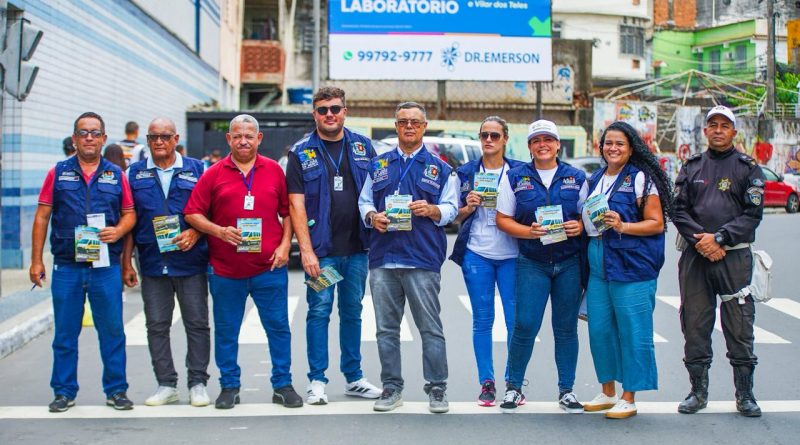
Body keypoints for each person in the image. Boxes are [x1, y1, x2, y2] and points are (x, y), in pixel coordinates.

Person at [184, 114, 302, 409]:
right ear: (229, 139)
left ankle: (283, 384)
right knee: (226, 331)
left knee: (278, 328)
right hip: (225, 270)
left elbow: (288, 213)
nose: (243, 141)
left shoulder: (274, 170)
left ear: (259, 139)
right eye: (237, 136)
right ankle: (229, 386)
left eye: (249, 136)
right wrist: (218, 231)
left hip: (269, 268)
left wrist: (286, 245)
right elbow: (192, 213)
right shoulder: (213, 173)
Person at [29, 112, 136, 412]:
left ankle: (116, 390)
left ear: (103, 138)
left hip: (105, 267)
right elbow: (42, 216)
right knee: (65, 334)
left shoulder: (116, 175)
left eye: (95, 132)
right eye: (83, 132)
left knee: (112, 332)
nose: (89, 137)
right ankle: (64, 391)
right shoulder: (57, 172)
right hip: (67, 267)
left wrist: (118, 230)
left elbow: (130, 214)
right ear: (74, 139)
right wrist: (36, 261)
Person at [358, 102, 458, 414]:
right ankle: (391, 387)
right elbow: (363, 203)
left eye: (415, 122)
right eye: (403, 122)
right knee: (386, 330)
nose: (409, 127)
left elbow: (452, 208)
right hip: (384, 259)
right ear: (396, 126)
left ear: (424, 127)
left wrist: (432, 210)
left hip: (422, 259)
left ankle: (437, 387)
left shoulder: (440, 168)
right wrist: (372, 216)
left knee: (430, 328)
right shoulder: (378, 165)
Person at [287, 86, 381, 404]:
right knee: (320, 311)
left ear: (345, 111)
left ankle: (354, 377)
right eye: (323, 109)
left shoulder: (363, 147)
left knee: (353, 312)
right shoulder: (301, 153)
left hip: (357, 251)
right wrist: (307, 251)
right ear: (314, 113)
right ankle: (317, 380)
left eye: (335, 109)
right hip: (322, 254)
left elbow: (377, 192)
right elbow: (295, 206)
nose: (330, 114)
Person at [673, 106, 766, 417]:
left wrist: (721, 238)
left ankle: (745, 394)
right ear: (705, 131)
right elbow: (678, 209)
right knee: (695, 324)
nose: (717, 130)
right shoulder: (692, 166)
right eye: (712, 124)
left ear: (733, 132)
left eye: (724, 125)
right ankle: (697, 392)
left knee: (740, 325)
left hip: (734, 256)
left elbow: (752, 215)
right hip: (695, 256)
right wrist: (702, 239)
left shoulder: (747, 168)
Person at [581, 121, 672, 419]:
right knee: (599, 330)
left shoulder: (640, 179)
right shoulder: (596, 178)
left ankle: (629, 395)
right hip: (598, 264)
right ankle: (607, 391)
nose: (613, 148)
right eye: (608, 143)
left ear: (631, 147)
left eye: (619, 143)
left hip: (631, 266)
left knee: (633, 331)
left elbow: (656, 223)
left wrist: (624, 225)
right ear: (601, 146)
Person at [495, 119, 587, 414]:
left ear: (558, 144)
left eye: (548, 139)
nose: (542, 144)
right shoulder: (515, 177)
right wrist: (528, 232)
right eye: (536, 140)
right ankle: (514, 388)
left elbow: (591, 219)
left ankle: (567, 390)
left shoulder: (577, 177)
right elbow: (502, 218)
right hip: (532, 261)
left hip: (569, 263)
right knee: (524, 326)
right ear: (530, 146)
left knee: (565, 329)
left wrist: (579, 226)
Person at [122, 118, 211, 407]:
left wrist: (197, 231)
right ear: (147, 140)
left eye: (165, 136)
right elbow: (129, 221)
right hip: (152, 262)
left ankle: (197, 382)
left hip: (190, 262)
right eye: (153, 137)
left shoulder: (198, 169)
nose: (159, 142)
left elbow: (213, 211)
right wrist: (127, 262)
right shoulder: (134, 174)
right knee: (156, 325)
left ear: (175, 139)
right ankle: (166, 384)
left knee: (197, 324)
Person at [450, 116, 524, 406]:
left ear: (505, 138)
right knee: (482, 320)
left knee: (514, 321)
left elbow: (532, 207)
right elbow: (453, 216)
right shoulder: (466, 172)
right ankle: (487, 383)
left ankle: (513, 382)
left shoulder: (519, 171)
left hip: (514, 255)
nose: (489, 140)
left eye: (494, 135)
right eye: (484, 135)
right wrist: (467, 207)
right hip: (477, 253)